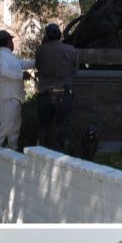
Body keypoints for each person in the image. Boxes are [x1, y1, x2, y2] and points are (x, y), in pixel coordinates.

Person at [0, 30, 34, 153]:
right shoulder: (2, 57)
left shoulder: (8, 56)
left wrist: (36, 62)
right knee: (7, 125)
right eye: (11, 40)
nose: (13, 43)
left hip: (15, 97)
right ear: (8, 41)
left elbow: (21, 63)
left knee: (15, 127)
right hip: (7, 98)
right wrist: (21, 75)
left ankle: (12, 148)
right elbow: (4, 72)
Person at [35, 23, 78, 151]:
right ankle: (61, 153)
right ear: (60, 35)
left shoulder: (40, 50)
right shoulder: (71, 50)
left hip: (45, 94)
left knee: (45, 127)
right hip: (64, 93)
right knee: (63, 126)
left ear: (47, 37)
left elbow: (38, 67)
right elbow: (75, 70)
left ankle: (43, 153)